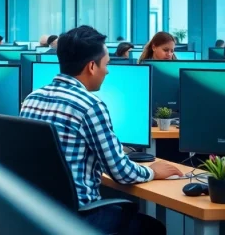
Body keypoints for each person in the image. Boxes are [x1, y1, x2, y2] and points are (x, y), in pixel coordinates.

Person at [20, 26, 181, 234]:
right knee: (152, 228)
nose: (108, 70)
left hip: (37, 212)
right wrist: (153, 171)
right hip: (79, 217)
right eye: (106, 64)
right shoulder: (89, 105)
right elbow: (121, 172)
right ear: (91, 67)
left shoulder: (32, 98)